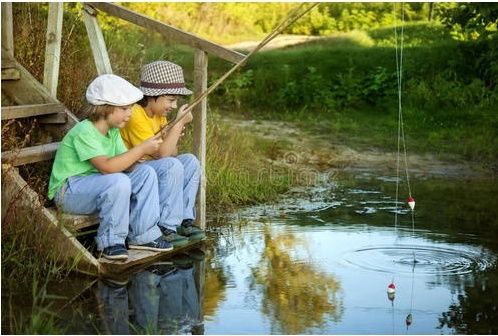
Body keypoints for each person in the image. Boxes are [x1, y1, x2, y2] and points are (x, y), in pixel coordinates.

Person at [48, 74, 174, 261]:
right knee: (118, 180)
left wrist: (137, 157)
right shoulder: (84, 131)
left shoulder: (113, 132)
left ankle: (143, 235)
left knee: (146, 172)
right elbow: (106, 168)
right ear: (104, 108)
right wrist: (140, 149)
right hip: (69, 191)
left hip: (98, 184)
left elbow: (123, 163)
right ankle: (110, 243)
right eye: (124, 109)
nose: (130, 114)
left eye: (130, 108)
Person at [120, 61, 205, 247]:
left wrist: (172, 131)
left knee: (190, 160)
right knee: (171, 165)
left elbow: (172, 152)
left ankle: (183, 221)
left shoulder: (159, 115)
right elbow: (163, 155)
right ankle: (166, 227)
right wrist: (179, 123)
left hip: (153, 167)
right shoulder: (135, 114)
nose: (174, 106)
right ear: (153, 96)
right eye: (171, 100)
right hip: (134, 171)